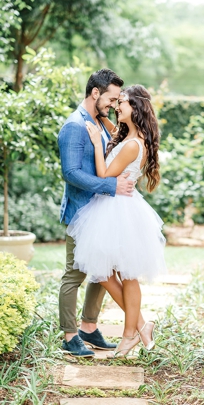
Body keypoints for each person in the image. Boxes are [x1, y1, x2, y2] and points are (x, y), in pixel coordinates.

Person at [67, 84, 166, 358]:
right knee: (107, 273)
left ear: (135, 109)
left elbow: (104, 173)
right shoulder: (132, 137)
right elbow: (114, 130)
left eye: (122, 102)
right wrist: (103, 114)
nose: (116, 106)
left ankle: (129, 334)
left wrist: (97, 144)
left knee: (125, 275)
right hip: (116, 208)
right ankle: (142, 326)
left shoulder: (132, 145)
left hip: (118, 209)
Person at [58, 68, 133, 357]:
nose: (114, 105)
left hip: (101, 213)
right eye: (111, 99)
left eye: (117, 101)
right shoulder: (75, 126)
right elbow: (71, 173)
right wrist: (111, 185)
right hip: (80, 213)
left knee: (102, 271)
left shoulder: (98, 122)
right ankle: (69, 335)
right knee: (74, 275)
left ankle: (89, 328)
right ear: (95, 93)